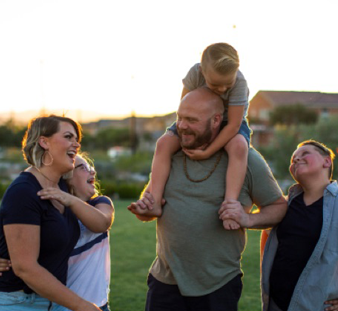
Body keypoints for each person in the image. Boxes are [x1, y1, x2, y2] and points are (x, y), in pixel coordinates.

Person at [128, 88, 287, 311]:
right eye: (180, 117)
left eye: (191, 120)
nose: (181, 126)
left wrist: (247, 219)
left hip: (217, 285)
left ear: (216, 120)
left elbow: (279, 206)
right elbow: (150, 206)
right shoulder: (169, 155)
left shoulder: (245, 159)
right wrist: (142, 210)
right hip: (165, 281)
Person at [0, 115, 101, 311]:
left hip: (55, 300)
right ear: (44, 142)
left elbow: (101, 220)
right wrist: (82, 306)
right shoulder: (23, 191)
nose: (76, 144)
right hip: (19, 303)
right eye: (68, 137)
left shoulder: (63, 186)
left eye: (77, 139)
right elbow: (25, 268)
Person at [148, 42, 251, 230]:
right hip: (199, 121)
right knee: (164, 143)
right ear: (202, 72)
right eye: (215, 85)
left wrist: (208, 151)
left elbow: (234, 125)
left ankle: (230, 205)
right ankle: (154, 199)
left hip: (228, 123)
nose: (222, 89)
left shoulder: (240, 82)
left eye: (227, 85)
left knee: (239, 147)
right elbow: (186, 107)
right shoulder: (194, 73)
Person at [260, 140, 338, 311]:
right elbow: (267, 237)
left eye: (305, 154)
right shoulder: (285, 205)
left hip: (316, 306)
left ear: (327, 162)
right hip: (276, 304)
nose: (296, 159)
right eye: (293, 158)